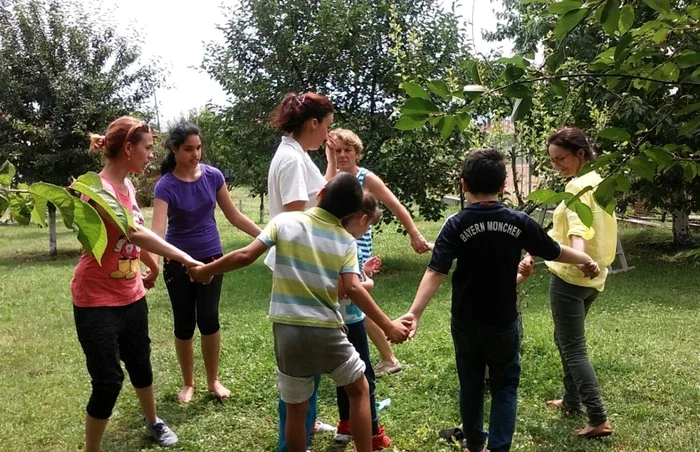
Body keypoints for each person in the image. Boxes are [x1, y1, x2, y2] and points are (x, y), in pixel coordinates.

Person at [188, 173, 413, 452]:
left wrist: (205, 271)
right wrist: (388, 325)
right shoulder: (345, 241)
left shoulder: (284, 221)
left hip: (287, 333)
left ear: (319, 194)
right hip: (327, 332)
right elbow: (353, 289)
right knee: (359, 390)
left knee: (296, 409)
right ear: (353, 213)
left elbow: (246, 255)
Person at [404, 149, 601, 452]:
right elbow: (554, 250)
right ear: (502, 185)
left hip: (466, 321)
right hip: (503, 321)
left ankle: (473, 446)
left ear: (463, 184)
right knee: (505, 387)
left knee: (470, 385)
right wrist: (584, 259)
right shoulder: (518, 221)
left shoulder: (455, 224)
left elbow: (436, 271)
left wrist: (415, 313)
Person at [73, 116, 204, 451]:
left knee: (140, 362)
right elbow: (132, 231)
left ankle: (153, 421)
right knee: (108, 382)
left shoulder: (127, 185)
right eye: (146, 147)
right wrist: (184, 257)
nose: (150, 154)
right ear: (128, 148)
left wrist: (152, 268)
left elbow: (132, 240)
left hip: (130, 294)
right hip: (96, 300)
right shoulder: (97, 190)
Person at [150, 121, 261, 403]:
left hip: (213, 259)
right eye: (188, 149)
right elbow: (158, 232)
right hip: (178, 263)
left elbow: (234, 216)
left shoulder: (213, 176)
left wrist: (268, 235)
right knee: (184, 323)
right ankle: (188, 383)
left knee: (209, 319)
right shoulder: (166, 185)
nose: (195, 154)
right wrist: (151, 265)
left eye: (199, 147)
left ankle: (213, 380)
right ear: (174, 149)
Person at [266, 91, 339, 450]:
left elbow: (318, 193)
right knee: (297, 372)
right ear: (312, 124)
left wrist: (329, 162)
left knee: (304, 366)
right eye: (326, 127)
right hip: (302, 269)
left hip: (301, 268)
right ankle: (291, 441)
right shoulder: (292, 161)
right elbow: (298, 219)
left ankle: (303, 430)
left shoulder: (296, 155)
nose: (328, 135)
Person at [331, 128, 432, 377]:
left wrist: (415, 234)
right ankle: (372, 357)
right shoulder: (330, 178)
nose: (342, 155)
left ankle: (387, 357)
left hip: (356, 247)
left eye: (347, 150)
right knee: (353, 306)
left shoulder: (365, 178)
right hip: (335, 248)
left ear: (357, 153)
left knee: (357, 306)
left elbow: (394, 204)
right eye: (337, 151)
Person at [544, 127, 617, 438]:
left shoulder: (576, 187)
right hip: (593, 278)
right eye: (553, 161)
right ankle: (572, 400)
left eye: (561, 159)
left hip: (571, 277)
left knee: (573, 347)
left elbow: (579, 229)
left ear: (581, 154)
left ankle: (598, 417)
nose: (557, 166)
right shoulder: (600, 182)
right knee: (565, 341)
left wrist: (579, 257)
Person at [334, 192, 391, 450]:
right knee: (365, 377)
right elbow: (349, 288)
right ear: (362, 219)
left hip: (335, 319)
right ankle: (372, 435)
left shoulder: (331, 237)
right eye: (368, 226)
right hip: (352, 320)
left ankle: (346, 423)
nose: (366, 231)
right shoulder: (348, 242)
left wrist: (363, 270)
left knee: (342, 375)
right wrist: (368, 281)